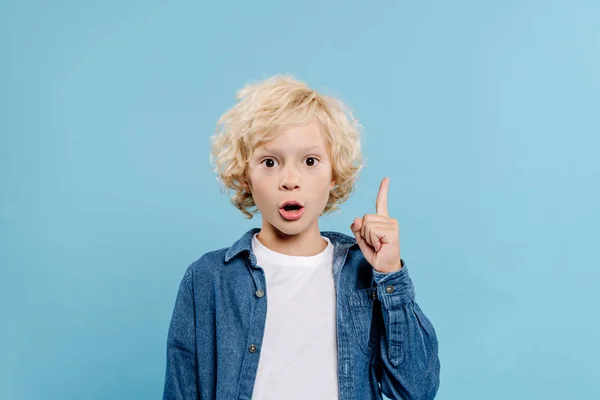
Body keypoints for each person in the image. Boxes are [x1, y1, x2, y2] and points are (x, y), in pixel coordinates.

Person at [162, 75, 440, 399]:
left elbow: (417, 389)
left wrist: (390, 274)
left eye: (310, 161)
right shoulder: (208, 280)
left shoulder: (362, 274)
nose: (290, 180)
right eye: (269, 162)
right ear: (245, 175)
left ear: (333, 173)